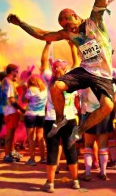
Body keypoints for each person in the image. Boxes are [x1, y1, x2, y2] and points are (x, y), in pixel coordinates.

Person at [7, 0, 115, 148]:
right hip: (86, 70)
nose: (67, 27)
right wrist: (21, 24)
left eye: (67, 22)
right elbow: (43, 35)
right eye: (63, 26)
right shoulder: (68, 34)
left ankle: (79, 130)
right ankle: (60, 119)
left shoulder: (93, 21)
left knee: (108, 106)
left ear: (75, 15)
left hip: (104, 74)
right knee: (57, 87)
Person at [40, 42, 80, 193]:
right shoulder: (72, 80)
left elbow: (43, 62)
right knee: (71, 150)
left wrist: (47, 44)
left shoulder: (49, 79)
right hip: (70, 119)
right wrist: (72, 46)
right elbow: (77, 63)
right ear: (65, 70)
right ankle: (75, 181)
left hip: (52, 120)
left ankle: (50, 184)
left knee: (52, 150)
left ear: (53, 69)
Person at [2, 64, 26, 163]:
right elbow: (11, 100)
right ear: (12, 71)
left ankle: (11, 152)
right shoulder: (7, 82)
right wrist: (22, 109)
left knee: (12, 134)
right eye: (17, 71)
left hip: (11, 111)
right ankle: (7, 155)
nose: (18, 73)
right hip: (10, 111)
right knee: (9, 134)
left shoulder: (8, 82)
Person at [22, 74, 47, 166]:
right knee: (40, 137)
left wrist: (25, 89)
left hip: (30, 115)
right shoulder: (44, 90)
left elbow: (24, 100)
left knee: (31, 137)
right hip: (41, 115)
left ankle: (32, 159)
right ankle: (43, 157)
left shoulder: (31, 90)